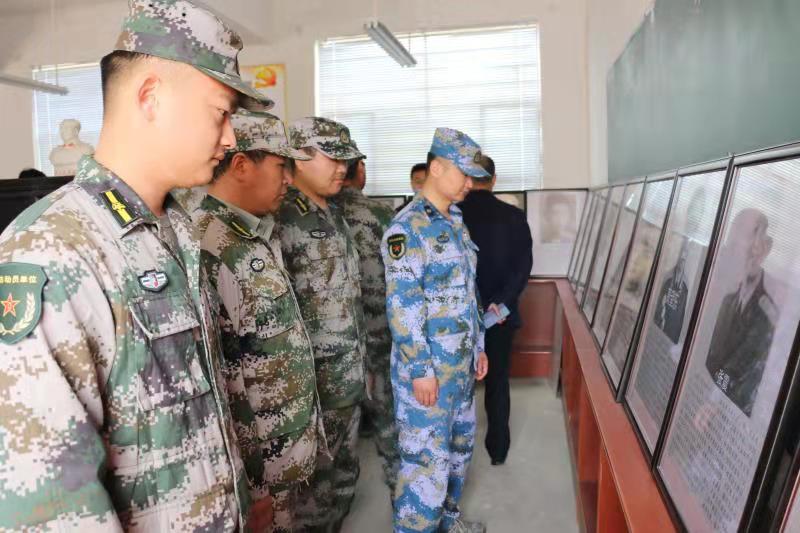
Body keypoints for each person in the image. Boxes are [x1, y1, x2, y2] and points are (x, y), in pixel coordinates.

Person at [0, 0, 273, 530]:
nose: (231, 138)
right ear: (151, 97)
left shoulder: (175, 230)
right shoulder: (52, 250)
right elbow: (50, 505)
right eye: (221, 112)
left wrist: (247, 492)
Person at [194, 111, 325, 532]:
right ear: (241, 165)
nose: (288, 179)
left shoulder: (254, 232)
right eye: (280, 166)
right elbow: (224, 378)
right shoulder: (209, 245)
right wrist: (253, 485)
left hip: (287, 446)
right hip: (262, 466)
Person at [382, 127, 490, 533]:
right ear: (437, 168)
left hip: (460, 368)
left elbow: (468, 291)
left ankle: (448, 523)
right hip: (428, 374)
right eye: (464, 174)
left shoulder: (455, 221)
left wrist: (478, 345)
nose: (469, 184)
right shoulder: (407, 229)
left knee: (458, 454)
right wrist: (421, 370)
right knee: (425, 468)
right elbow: (403, 306)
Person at [275, 116, 366, 531]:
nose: (342, 168)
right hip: (315, 386)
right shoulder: (282, 218)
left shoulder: (333, 211)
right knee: (311, 496)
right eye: (333, 158)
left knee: (342, 479)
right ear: (299, 157)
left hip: (348, 377)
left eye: (347, 160)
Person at [335, 145, 400, 500]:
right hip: (382, 332)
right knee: (389, 413)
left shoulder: (318, 214)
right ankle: (400, 490)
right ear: (358, 170)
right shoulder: (381, 213)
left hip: (336, 340)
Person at [458, 154, 532, 466]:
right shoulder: (514, 216)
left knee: (457, 383)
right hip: (499, 316)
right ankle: (498, 448)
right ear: (494, 180)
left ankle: (455, 454)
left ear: (467, 178)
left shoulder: (451, 215)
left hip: (459, 317)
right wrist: (499, 304)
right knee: (498, 380)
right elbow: (523, 269)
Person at [705, 208, 777, 417]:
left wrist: (712, 401)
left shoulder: (766, 312)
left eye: (753, 239)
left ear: (764, 249)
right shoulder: (728, 301)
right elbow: (712, 356)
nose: (738, 250)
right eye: (734, 242)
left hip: (729, 412)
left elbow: (737, 367)